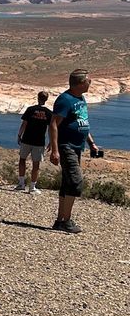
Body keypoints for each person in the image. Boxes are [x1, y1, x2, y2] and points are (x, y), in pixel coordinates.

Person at [49, 69, 99, 234]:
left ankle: (59, 220)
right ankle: (67, 220)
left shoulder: (80, 98)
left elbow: (82, 121)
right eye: (88, 81)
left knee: (67, 182)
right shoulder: (65, 100)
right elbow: (54, 124)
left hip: (77, 147)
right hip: (66, 146)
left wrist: (91, 143)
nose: (90, 83)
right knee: (76, 182)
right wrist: (55, 150)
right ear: (80, 83)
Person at [15, 90, 52, 193]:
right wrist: (51, 142)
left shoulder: (30, 109)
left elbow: (24, 124)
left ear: (37, 98)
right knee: (36, 165)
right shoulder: (49, 113)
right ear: (46, 99)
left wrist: (19, 135)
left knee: (22, 160)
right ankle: (32, 187)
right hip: (39, 142)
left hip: (26, 139)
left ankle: (21, 184)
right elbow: (50, 129)